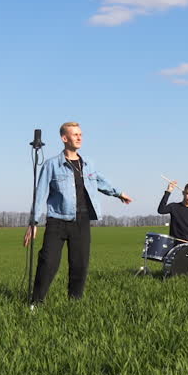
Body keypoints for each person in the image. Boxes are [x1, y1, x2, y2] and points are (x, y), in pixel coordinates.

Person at [23, 122, 132, 305]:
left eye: (81, 134)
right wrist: (33, 223)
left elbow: (100, 181)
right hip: (57, 221)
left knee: (79, 265)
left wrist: (118, 193)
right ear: (64, 138)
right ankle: (36, 302)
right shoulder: (52, 165)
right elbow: (40, 194)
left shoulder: (88, 164)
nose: (79, 137)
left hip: (82, 221)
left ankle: (74, 304)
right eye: (75, 134)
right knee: (48, 263)